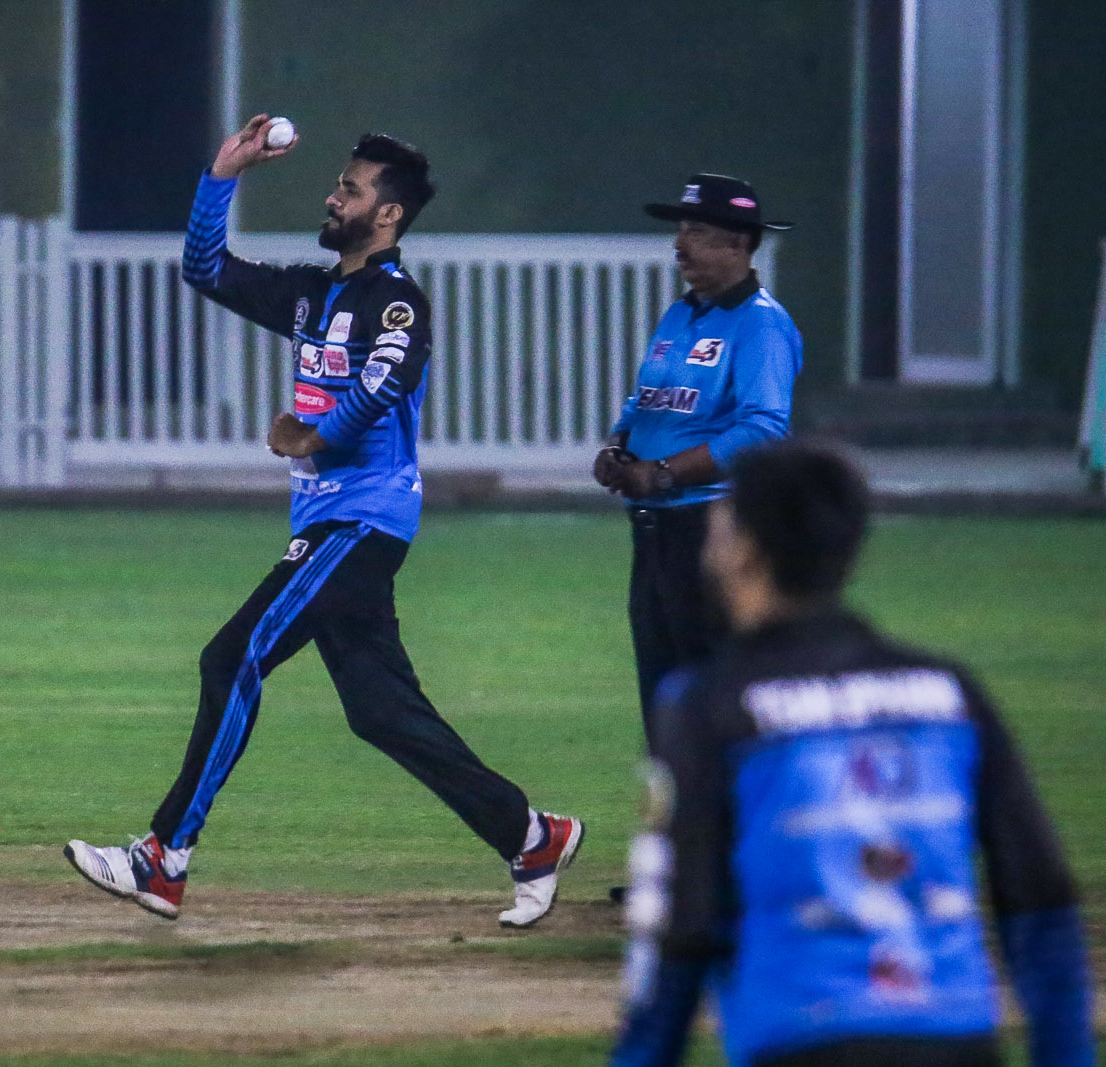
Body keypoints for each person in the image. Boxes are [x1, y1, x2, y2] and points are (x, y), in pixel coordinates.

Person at [65, 115, 583, 927]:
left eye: (351, 188)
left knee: (232, 655)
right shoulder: (316, 295)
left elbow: (385, 382)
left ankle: (164, 857)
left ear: (389, 214)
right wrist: (223, 174)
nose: (333, 196)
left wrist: (312, 436)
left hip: (361, 526)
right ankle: (532, 836)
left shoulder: (398, 302)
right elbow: (204, 268)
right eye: (339, 184)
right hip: (331, 526)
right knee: (381, 711)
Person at [610, 440, 1094, 1067]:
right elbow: (1043, 901)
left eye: (721, 525)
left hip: (801, 1040)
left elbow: (679, 927)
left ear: (745, 549)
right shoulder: (949, 691)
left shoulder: (708, 706)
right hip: (958, 1038)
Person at [593, 173, 802, 746]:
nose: (680, 244)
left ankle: (723, 802)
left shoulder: (761, 324)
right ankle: (677, 802)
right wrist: (619, 445)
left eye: (698, 232)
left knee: (713, 699)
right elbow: (647, 398)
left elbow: (763, 429)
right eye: (681, 229)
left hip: (710, 531)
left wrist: (663, 473)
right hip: (655, 534)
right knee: (664, 699)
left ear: (738, 243)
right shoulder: (680, 315)